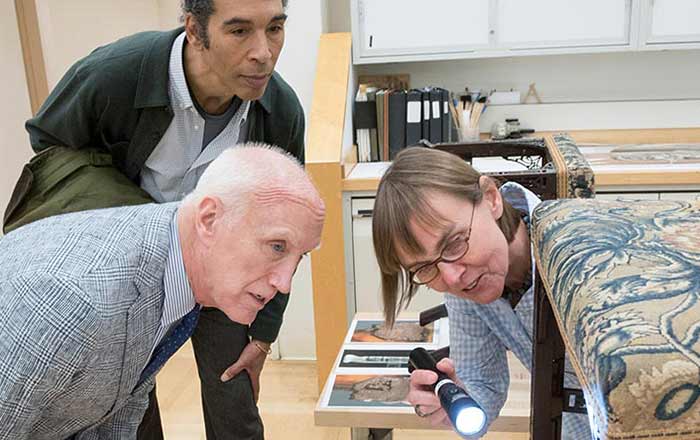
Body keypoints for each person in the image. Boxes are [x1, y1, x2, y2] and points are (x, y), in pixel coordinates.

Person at [20, 0, 303, 438]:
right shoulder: (115, 72)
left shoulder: (280, 112)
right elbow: (50, 140)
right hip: (133, 271)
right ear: (195, 30)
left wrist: (264, 333)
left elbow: (285, 232)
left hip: (221, 272)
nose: (263, 52)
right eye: (240, 31)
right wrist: (122, 212)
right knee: (126, 402)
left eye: (275, 29)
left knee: (235, 398)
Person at [0, 145, 325, 440]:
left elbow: (114, 406)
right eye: (277, 247)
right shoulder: (76, 301)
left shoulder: (175, 262)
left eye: (299, 257)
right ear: (210, 219)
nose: (284, 283)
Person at [371, 147, 591, 438]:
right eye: (425, 267)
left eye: (453, 243)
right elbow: (483, 386)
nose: (451, 277)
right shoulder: (465, 285)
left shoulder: (583, 253)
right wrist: (453, 399)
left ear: (491, 198)